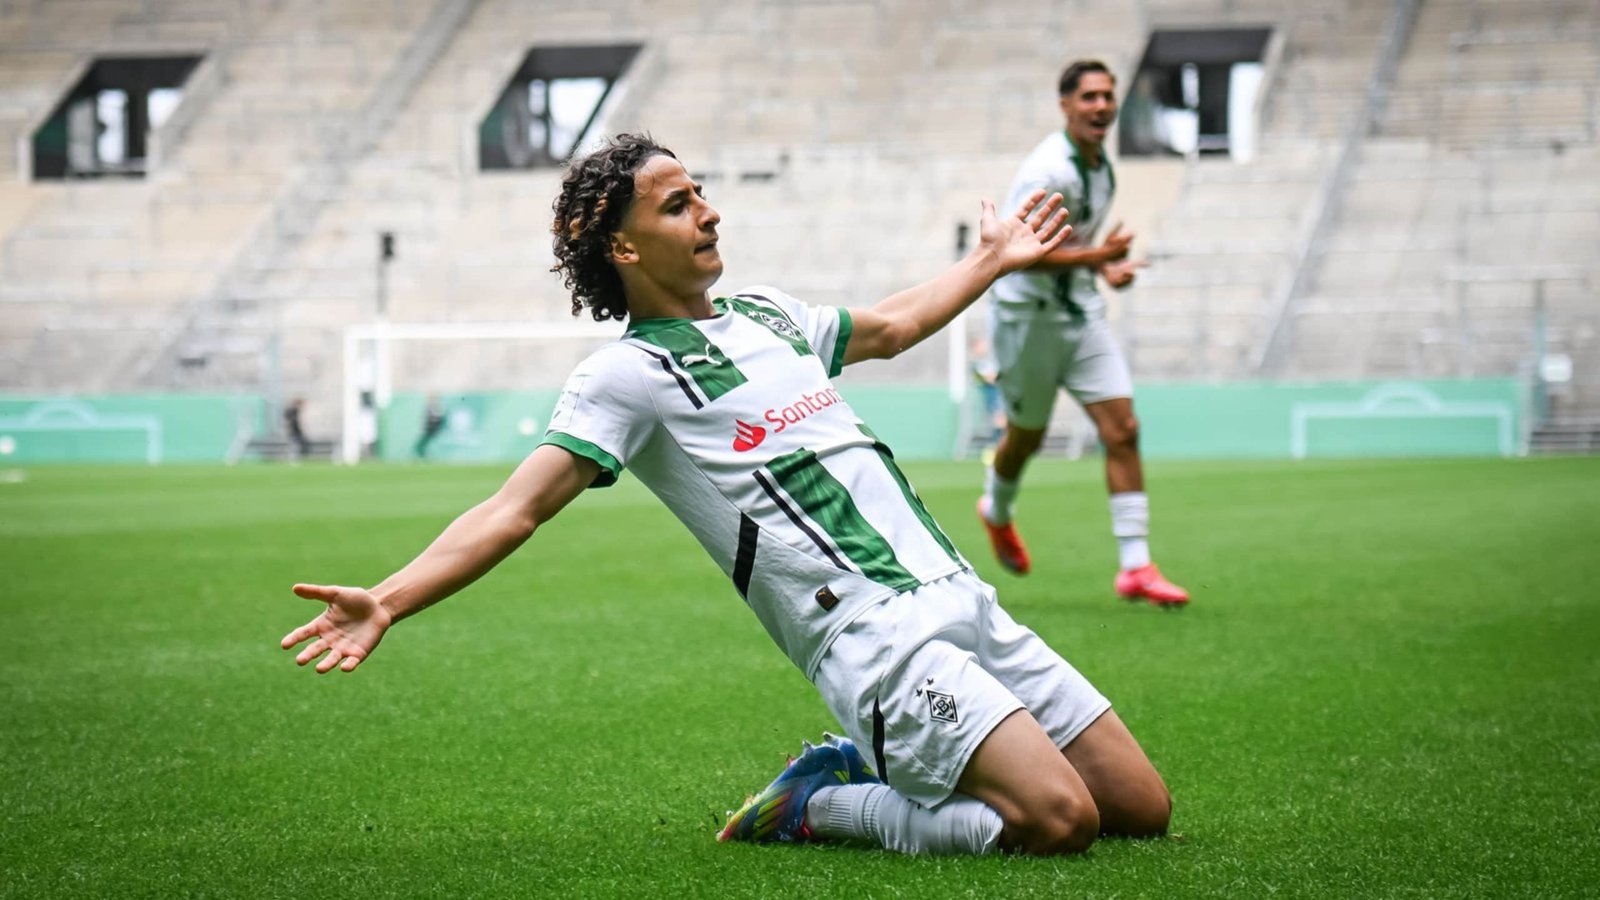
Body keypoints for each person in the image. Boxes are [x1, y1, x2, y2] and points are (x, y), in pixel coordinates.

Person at [280, 134, 1171, 856]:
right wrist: (389, 601)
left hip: (957, 594)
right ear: (624, 248)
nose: (708, 212)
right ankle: (823, 806)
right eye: (678, 204)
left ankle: (881, 774)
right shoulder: (626, 377)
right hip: (872, 639)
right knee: (1060, 822)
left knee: (1138, 807)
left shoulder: (769, 316)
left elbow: (896, 325)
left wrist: (992, 261)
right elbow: (516, 508)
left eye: (700, 193)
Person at [976, 60, 1190, 606]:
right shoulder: (1047, 172)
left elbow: (1073, 248)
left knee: (1122, 429)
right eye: (1089, 97)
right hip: (1028, 321)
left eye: (1107, 96)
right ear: (1065, 105)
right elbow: (1015, 255)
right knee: (1025, 438)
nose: (1101, 106)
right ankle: (995, 511)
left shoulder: (1100, 166)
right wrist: (1098, 256)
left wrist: (1102, 269)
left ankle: (1136, 567)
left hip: (1079, 314)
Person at [283, 396, 311, 460]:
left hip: (296, 432)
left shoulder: (295, 411)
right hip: (293, 432)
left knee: (296, 445)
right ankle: (293, 458)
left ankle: (295, 457)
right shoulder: (292, 411)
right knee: (295, 445)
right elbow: (291, 422)